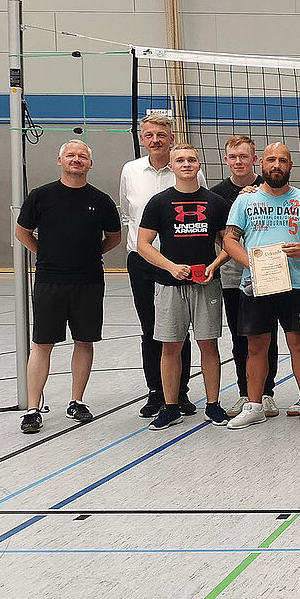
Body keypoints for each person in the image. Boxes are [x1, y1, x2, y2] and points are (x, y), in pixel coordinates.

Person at [16, 140, 122, 434]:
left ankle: (77, 401)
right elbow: (22, 232)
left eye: (82, 156)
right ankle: (33, 409)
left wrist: (89, 255)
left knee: (84, 341)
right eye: (71, 155)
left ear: (90, 164)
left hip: (88, 281)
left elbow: (114, 238)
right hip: (49, 280)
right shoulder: (40, 196)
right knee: (42, 344)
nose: (77, 159)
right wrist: (45, 253)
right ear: (59, 160)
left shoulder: (101, 200)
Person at [222, 142, 300, 429]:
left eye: (282, 160)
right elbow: (229, 240)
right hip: (256, 285)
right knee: (256, 346)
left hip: (296, 285)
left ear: (290, 165)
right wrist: (252, 263)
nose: (276, 165)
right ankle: (254, 405)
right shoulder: (245, 200)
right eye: (271, 160)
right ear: (262, 164)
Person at [136, 144, 231, 429]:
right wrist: (170, 267)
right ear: (172, 166)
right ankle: (170, 407)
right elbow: (143, 244)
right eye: (180, 160)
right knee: (170, 347)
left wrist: (214, 266)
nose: (186, 164)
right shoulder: (159, 202)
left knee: (209, 345)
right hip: (169, 285)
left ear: (199, 165)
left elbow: (229, 243)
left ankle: (213, 405)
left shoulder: (216, 202)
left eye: (191, 159)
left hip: (206, 284)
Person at [120, 112, 203, 417]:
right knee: (150, 328)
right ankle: (156, 391)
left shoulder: (186, 168)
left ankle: (180, 392)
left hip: (179, 261)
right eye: (149, 135)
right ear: (142, 139)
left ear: (171, 139)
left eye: (161, 135)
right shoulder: (130, 170)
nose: (155, 140)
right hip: (143, 260)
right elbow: (128, 214)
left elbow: (202, 206)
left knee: (179, 330)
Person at [211, 135, 281, 418]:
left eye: (244, 156)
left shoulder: (268, 186)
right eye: (233, 156)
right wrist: (241, 258)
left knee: (268, 335)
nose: (238, 161)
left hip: (270, 274)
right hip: (232, 275)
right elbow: (222, 238)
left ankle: (267, 393)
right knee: (241, 336)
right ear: (226, 159)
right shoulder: (217, 195)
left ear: (255, 159)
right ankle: (245, 393)